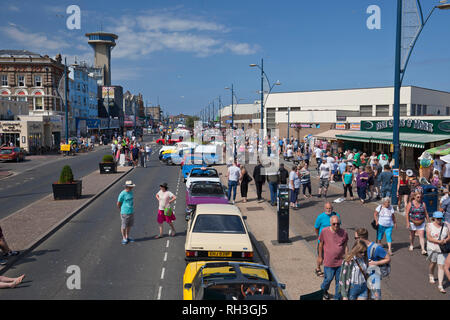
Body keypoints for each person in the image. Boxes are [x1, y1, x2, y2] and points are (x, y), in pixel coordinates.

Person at [318, 215, 348, 300]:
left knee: (339, 282)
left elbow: (345, 246)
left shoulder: (344, 232)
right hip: (329, 261)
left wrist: (347, 256)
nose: (336, 225)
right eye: (334, 224)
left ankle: (337, 298)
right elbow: (321, 245)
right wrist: (320, 256)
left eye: (338, 224)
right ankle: (323, 290)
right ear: (330, 223)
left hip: (341, 262)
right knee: (328, 279)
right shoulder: (324, 231)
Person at [355, 228, 391, 300]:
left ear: (361, 238)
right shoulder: (358, 246)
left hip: (374, 280)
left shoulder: (376, 247)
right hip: (361, 279)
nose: (355, 240)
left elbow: (388, 259)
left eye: (356, 238)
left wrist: (376, 263)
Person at [314, 203, 341, 277]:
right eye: (327, 208)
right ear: (324, 208)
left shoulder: (336, 216)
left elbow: (338, 226)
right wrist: (319, 236)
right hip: (322, 241)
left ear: (332, 209)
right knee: (321, 256)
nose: (328, 210)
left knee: (331, 256)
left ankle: (330, 270)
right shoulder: (320, 217)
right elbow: (316, 228)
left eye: (330, 208)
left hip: (333, 240)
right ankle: (318, 268)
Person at [426, 211, 450, 294]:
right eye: (438, 219)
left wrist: (445, 240)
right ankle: (431, 274)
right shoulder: (429, 225)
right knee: (433, 263)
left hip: (442, 249)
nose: (439, 220)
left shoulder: (446, 225)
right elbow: (429, 238)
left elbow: (449, 236)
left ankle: (440, 285)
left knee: (441, 266)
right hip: (432, 248)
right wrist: (438, 241)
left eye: (441, 218)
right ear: (434, 218)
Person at [117, 180, 136, 245]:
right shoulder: (122, 194)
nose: (132, 188)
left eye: (132, 186)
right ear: (127, 187)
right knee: (124, 226)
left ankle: (127, 236)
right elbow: (118, 203)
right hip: (124, 212)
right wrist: (121, 209)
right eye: (130, 187)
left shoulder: (131, 192)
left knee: (129, 225)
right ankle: (124, 238)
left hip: (131, 211)